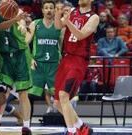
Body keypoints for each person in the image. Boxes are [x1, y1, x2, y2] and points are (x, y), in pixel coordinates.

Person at [0, 0, 33, 134]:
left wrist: (22, 25)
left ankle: (26, 127)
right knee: (1, 92)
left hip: (20, 55)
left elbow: (21, 20)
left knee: (23, 93)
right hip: (4, 56)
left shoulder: (15, 9)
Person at [54, 0, 99, 134]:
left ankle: (71, 131)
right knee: (57, 103)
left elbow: (80, 35)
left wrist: (67, 21)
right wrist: (58, 13)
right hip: (66, 58)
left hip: (78, 60)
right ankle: (81, 126)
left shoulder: (93, 17)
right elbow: (57, 26)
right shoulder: (73, 11)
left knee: (64, 95)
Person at [26, 0, 61, 114]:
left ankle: (66, 122)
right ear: (42, 10)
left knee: (59, 95)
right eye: (46, 8)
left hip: (54, 65)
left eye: (51, 8)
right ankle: (26, 123)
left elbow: (62, 46)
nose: (49, 10)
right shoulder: (35, 24)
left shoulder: (60, 25)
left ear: (55, 10)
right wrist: (30, 59)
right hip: (38, 65)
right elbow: (25, 43)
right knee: (29, 95)